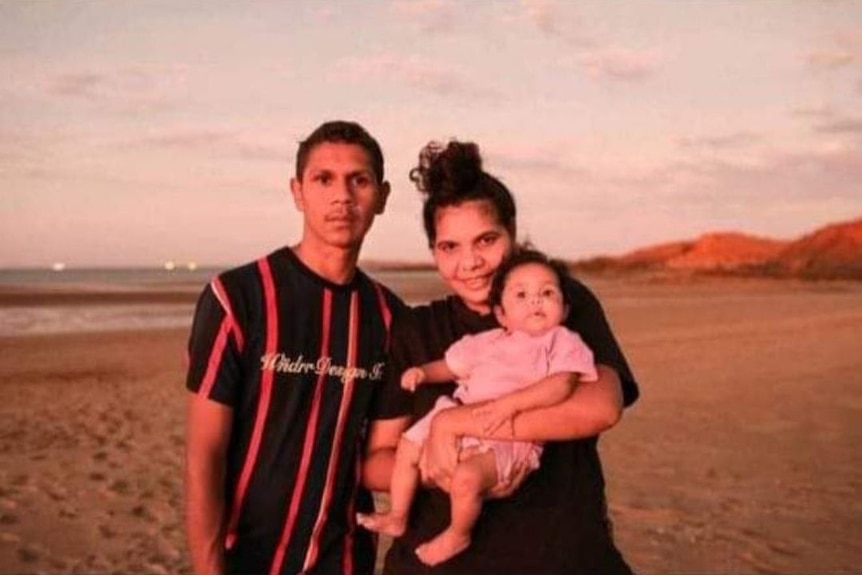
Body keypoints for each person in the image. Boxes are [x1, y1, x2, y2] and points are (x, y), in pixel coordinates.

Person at [362, 140, 640, 574]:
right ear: (433, 251)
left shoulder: (554, 302)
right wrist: (443, 466)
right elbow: (376, 457)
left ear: (512, 232)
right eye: (449, 247)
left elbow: (601, 407)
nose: (470, 262)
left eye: (486, 240)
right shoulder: (415, 330)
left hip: (559, 557)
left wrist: (454, 423)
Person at [184, 120, 408, 575]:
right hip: (245, 560)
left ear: (382, 197)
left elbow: (380, 455)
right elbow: (204, 453)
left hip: (345, 560)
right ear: (297, 192)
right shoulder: (237, 298)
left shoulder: (391, 319)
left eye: (359, 180)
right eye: (323, 179)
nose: (342, 196)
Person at [358, 247, 600, 566]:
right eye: (521, 294)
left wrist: (511, 404)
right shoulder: (490, 341)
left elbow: (561, 385)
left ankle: (459, 533)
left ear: (565, 309)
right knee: (407, 446)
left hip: (508, 436)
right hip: (459, 412)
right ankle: (398, 515)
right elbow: (452, 365)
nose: (535, 301)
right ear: (501, 313)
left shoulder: (561, 341)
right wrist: (423, 372)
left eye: (547, 293)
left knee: (467, 479)